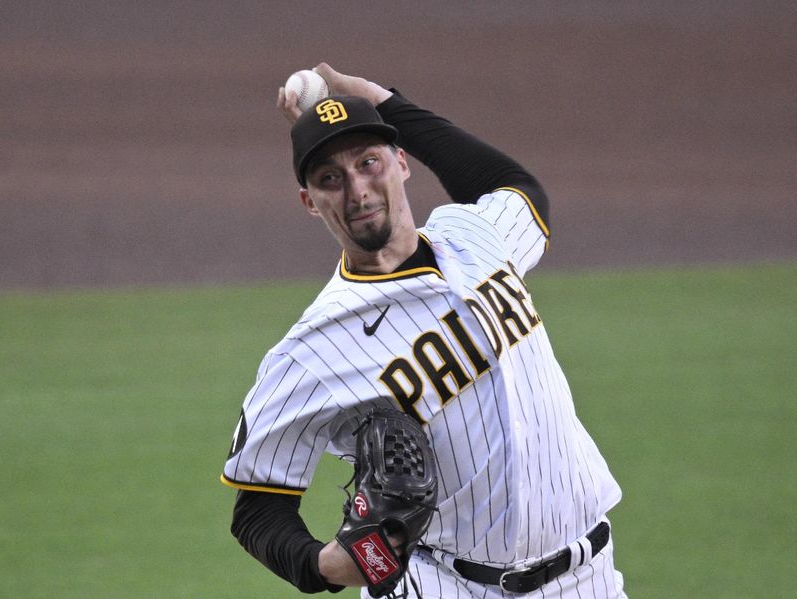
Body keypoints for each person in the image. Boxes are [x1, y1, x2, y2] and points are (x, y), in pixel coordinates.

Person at [221, 63, 627, 598]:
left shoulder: (474, 234)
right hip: (445, 586)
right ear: (309, 203)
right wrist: (325, 565)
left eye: (369, 163)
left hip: (587, 577)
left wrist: (382, 101)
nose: (358, 190)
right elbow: (257, 506)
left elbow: (518, 190)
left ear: (402, 162)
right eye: (330, 179)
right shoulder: (310, 351)